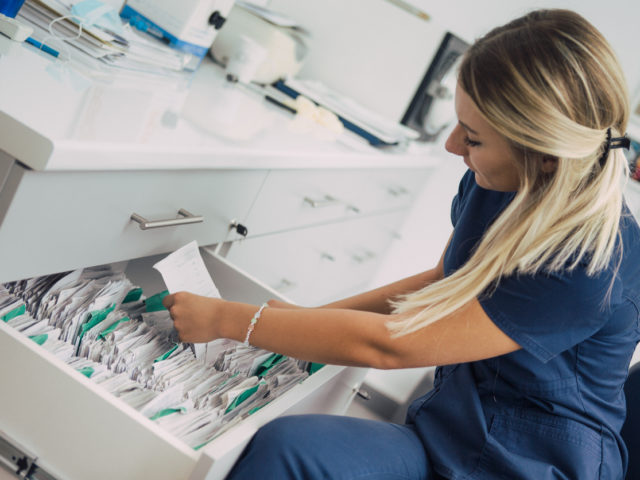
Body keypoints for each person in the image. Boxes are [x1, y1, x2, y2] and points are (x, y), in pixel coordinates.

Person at [162, 9, 640, 479]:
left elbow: (392, 348)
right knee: (290, 449)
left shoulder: (593, 262)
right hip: (453, 435)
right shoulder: (500, 180)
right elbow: (439, 284)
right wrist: (293, 322)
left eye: (472, 138)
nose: (452, 146)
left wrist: (231, 321)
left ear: (546, 157)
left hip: (531, 465)